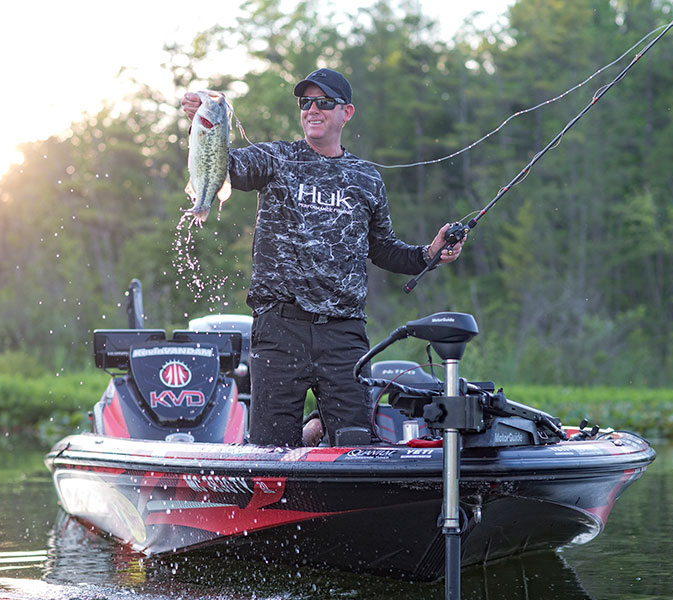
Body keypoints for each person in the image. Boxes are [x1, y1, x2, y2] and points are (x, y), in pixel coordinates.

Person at [182, 67, 465, 447]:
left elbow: (382, 249)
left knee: (356, 446)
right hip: (279, 329)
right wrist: (200, 123)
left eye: (324, 102)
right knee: (270, 449)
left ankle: (323, 444)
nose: (312, 110)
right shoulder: (276, 157)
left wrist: (429, 253)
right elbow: (226, 167)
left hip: (344, 334)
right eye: (306, 102)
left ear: (346, 112)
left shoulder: (367, 178)